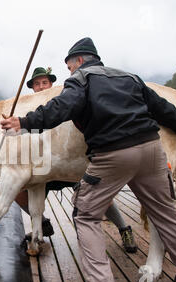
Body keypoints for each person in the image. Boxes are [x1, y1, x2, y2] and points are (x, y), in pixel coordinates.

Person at [1, 38, 176, 282]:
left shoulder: (81, 79)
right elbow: (164, 109)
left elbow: (60, 108)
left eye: (70, 67)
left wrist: (25, 121)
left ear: (80, 61)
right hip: (151, 150)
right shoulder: (130, 77)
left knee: (85, 214)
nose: (70, 73)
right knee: (167, 215)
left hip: (113, 154)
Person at [16, 67, 137, 252]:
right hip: (45, 167)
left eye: (44, 83)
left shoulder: (64, 100)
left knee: (102, 198)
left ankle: (124, 229)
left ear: (51, 84)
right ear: (32, 88)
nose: (41, 87)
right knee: (19, 191)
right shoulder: (30, 109)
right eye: (37, 84)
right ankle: (41, 224)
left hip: (71, 166)